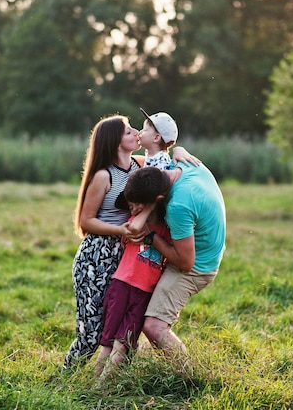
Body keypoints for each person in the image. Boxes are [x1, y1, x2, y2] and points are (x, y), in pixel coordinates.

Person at [63, 113, 197, 370]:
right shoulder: (104, 176)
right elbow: (86, 221)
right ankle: (64, 378)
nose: (135, 131)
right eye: (127, 131)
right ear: (114, 142)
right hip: (97, 255)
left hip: (125, 254)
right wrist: (121, 230)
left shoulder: (138, 166)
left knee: (118, 321)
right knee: (92, 332)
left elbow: (162, 165)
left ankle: (117, 379)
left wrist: (177, 149)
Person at [93, 109, 178, 377]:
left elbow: (168, 179)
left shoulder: (160, 168)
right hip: (129, 277)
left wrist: (178, 161)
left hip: (139, 277)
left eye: (141, 128)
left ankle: (100, 384)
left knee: (117, 339)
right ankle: (96, 383)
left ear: (156, 136)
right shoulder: (148, 162)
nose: (138, 132)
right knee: (111, 338)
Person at [123, 163, 226, 368]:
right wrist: (179, 149)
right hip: (211, 251)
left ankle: (188, 376)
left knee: (154, 326)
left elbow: (186, 263)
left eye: (141, 206)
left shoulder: (178, 207)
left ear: (158, 200)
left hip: (198, 268)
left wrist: (152, 238)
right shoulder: (186, 167)